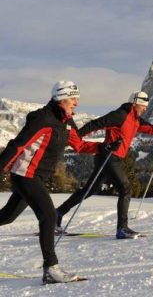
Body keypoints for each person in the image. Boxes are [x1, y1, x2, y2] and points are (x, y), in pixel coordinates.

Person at [0, 81, 113, 284]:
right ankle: (51, 269)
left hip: (36, 177)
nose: (76, 103)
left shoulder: (67, 122)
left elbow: (79, 146)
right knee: (49, 216)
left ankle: (50, 269)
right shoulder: (42, 118)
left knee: (7, 217)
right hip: (26, 175)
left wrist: (103, 147)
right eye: (73, 98)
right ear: (61, 98)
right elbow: (17, 145)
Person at [56, 91, 153, 239]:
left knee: (88, 191)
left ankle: (57, 214)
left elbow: (152, 130)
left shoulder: (136, 119)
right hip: (108, 156)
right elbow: (96, 124)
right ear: (135, 103)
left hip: (110, 158)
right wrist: (77, 137)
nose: (145, 109)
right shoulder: (120, 115)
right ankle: (122, 229)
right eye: (143, 106)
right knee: (125, 188)